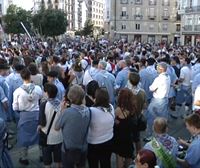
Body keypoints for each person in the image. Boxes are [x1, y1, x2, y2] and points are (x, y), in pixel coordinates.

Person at [55, 85, 91, 168]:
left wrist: (62, 111)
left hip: (68, 148)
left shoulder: (67, 112)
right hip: (83, 147)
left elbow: (56, 127)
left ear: (70, 97)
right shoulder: (88, 111)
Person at [12, 68, 43, 165]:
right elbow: (41, 98)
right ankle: (42, 155)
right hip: (37, 115)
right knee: (39, 136)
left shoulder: (17, 91)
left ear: (22, 77)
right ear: (30, 76)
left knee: (24, 137)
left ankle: (24, 157)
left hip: (24, 116)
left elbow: (15, 107)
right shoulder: (37, 88)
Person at [87, 88, 115, 168]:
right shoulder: (111, 107)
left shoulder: (91, 111)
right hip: (108, 140)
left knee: (93, 164)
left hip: (93, 143)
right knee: (106, 162)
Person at [38, 83, 63, 168]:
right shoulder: (61, 104)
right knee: (58, 161)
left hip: (47, 137)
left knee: (47, 162)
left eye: (44, 91)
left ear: (47, 93)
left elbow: (42, 123)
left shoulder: (43, 105)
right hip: (59, 137)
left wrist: (38, 127)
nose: (43, 93)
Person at [145, 62, 171, 139]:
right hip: (164, 99)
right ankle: (161, 134)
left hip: (157, 100)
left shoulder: (159, 78)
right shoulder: (168, 76)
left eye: (157, 68)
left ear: (161, 69)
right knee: (162, 118)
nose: (156, 69)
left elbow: (151, 88)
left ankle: (150, 135)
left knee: (151, 117)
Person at [113, 88, 137, 168]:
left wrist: (116, 121)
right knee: (128, 156)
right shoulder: (133, 108)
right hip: (129, 137)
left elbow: (113, 120)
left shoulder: (118, 110)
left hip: (119, 137)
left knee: (119, 156)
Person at [127, 72, 147, 152]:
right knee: (137, 138)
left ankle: (129, 155)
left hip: (128, 118)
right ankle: (139, 154)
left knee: (128, 138)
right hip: (138, 117)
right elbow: (145, 106)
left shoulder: (127, 92)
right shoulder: (142, 92)